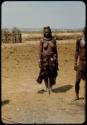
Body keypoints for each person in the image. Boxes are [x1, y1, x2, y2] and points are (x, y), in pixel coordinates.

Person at [36, 26, 59, 92]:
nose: (47, 33)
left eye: (48, 32)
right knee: (45, 74)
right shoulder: (42, 40)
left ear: (50, 32)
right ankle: (46, 87)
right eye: (46, 32)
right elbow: (40, 51)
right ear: (44, 32)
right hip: (44, 59)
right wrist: (39, 60)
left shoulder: (53, 40)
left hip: (52, 59)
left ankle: (51, 86)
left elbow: (56, 51)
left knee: (52, 73)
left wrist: (57, 59)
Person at [74, 27, 87, 100]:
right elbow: (76, 52)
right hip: (81, 62)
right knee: (77, 80)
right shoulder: (79, 40)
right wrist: (75, 63)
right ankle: (77, 95)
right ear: (83, 32)